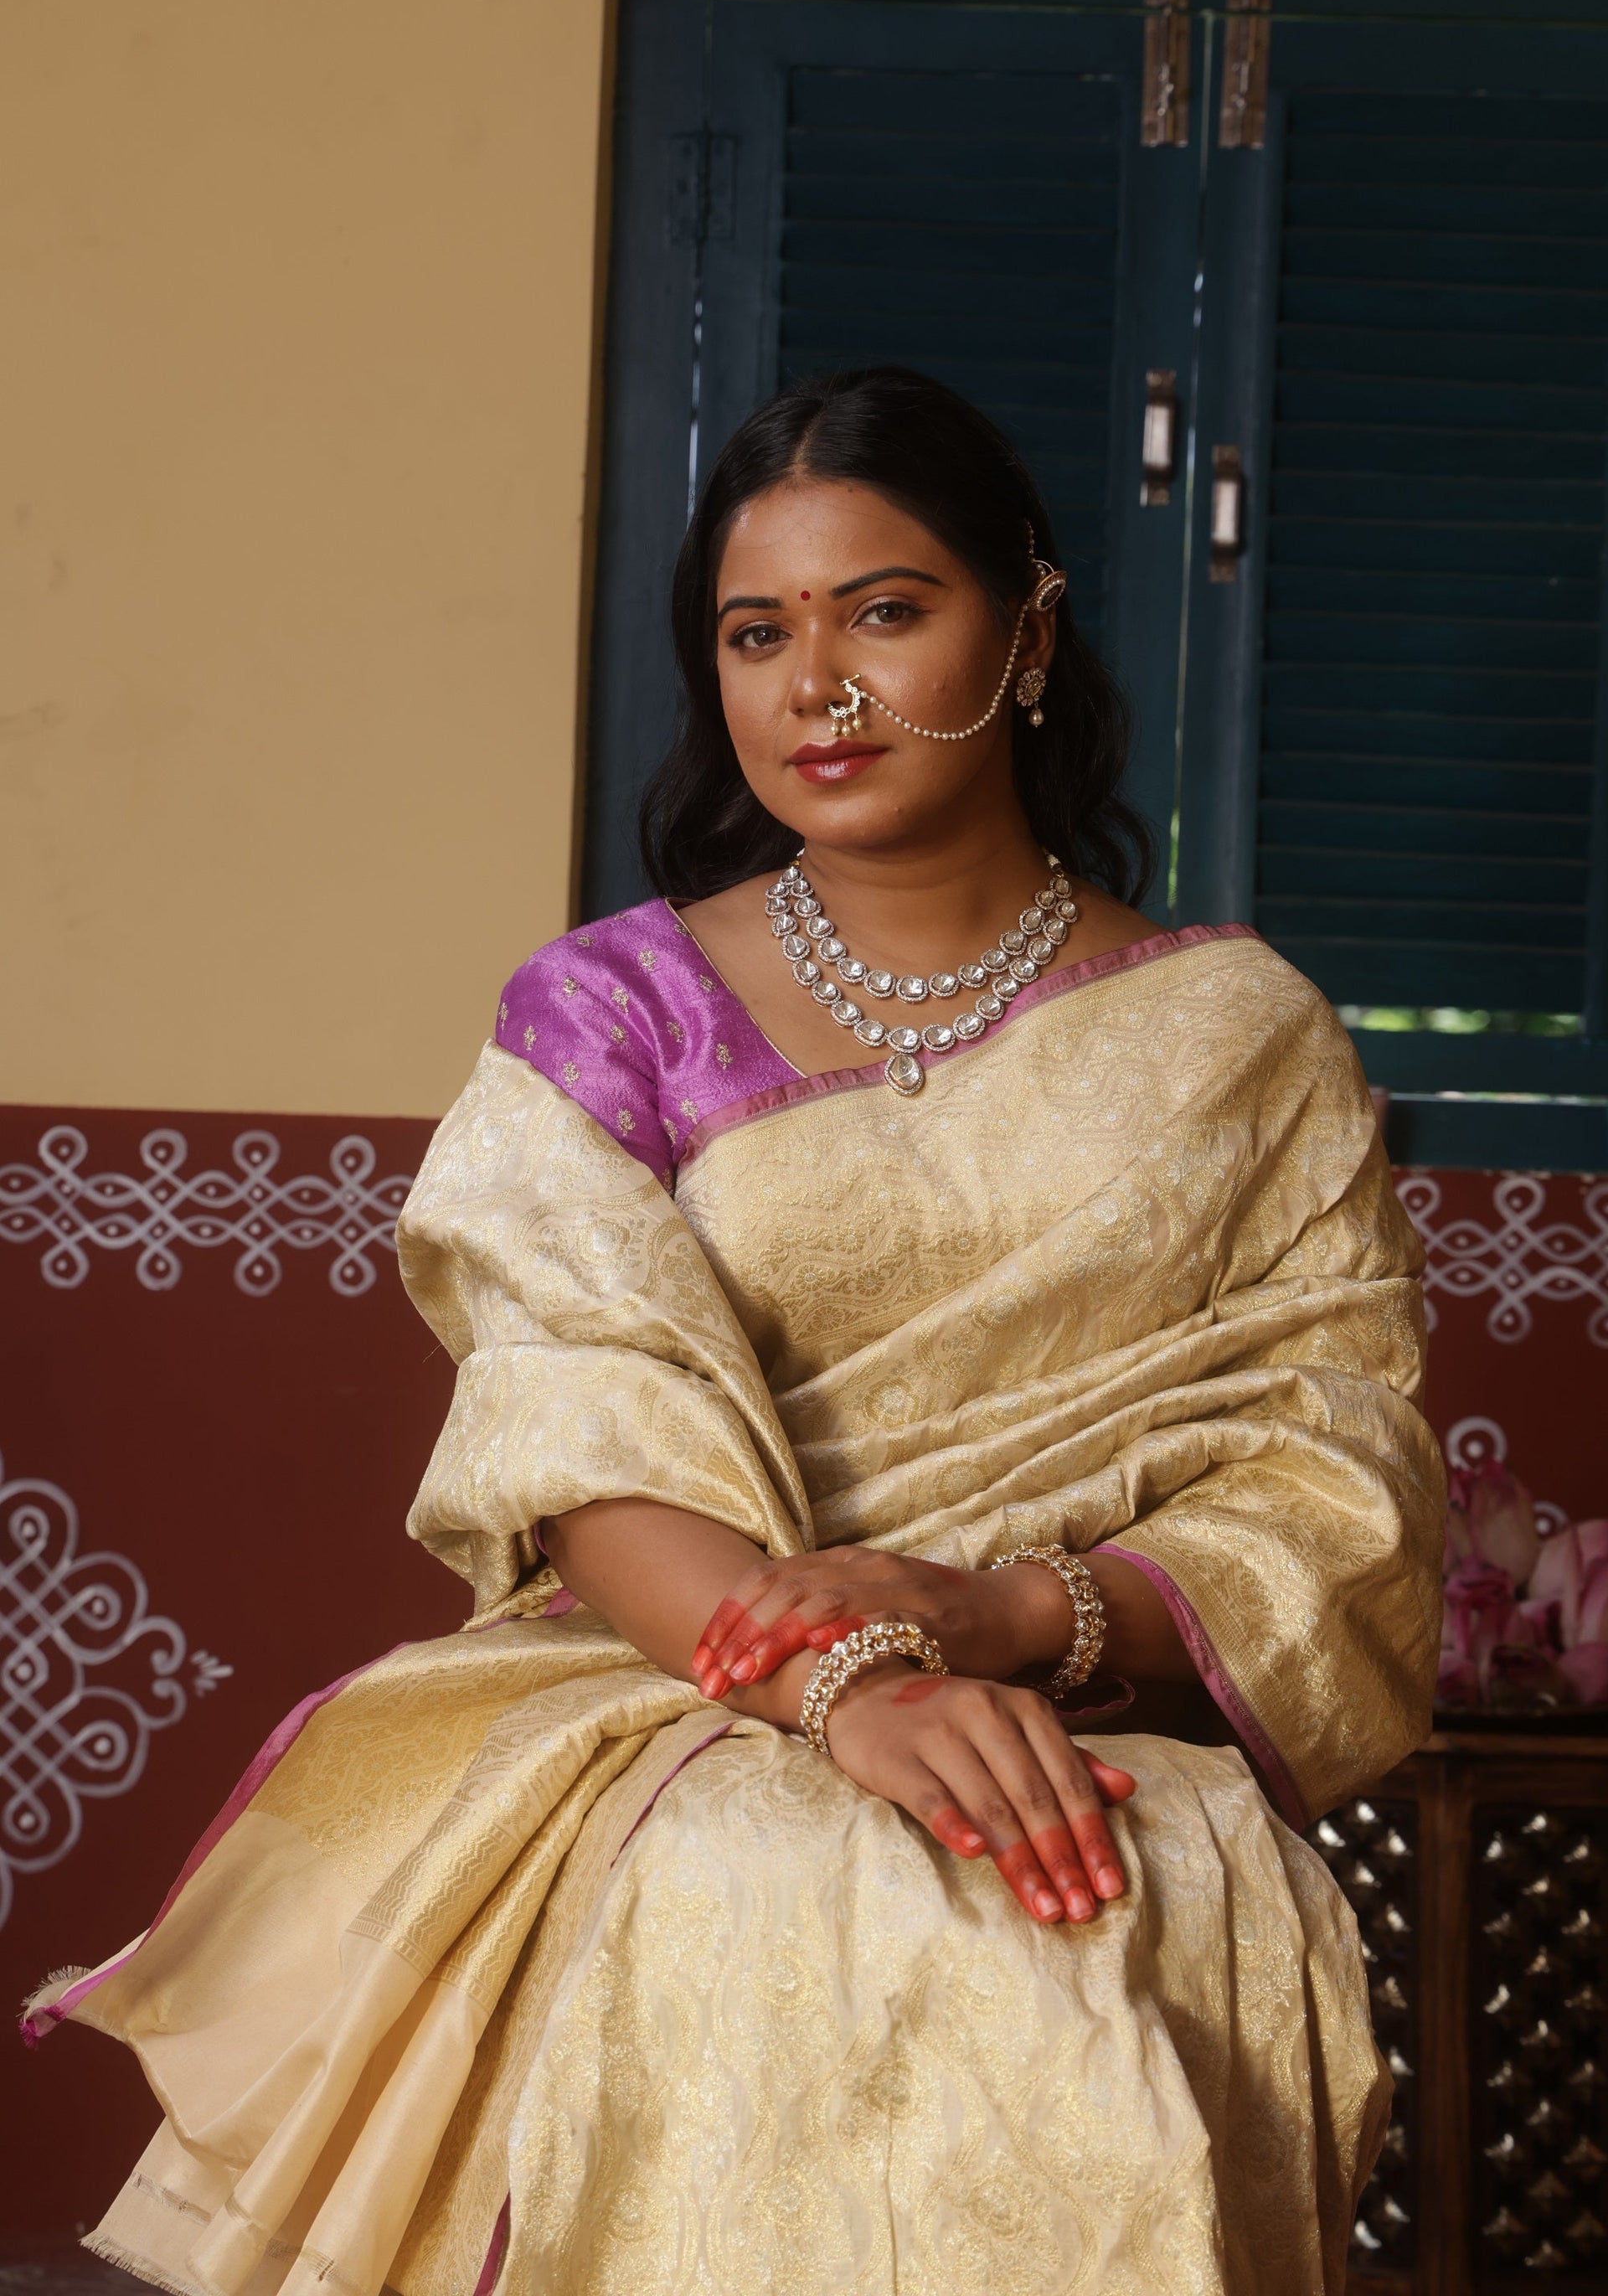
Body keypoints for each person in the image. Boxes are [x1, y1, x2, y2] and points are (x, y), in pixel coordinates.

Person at [26, 369, 1444, 2296]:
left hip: (1099, 1700)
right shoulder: (605, 1015)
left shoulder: (1240, 1038)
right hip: (687, 1682)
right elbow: (577, 1441)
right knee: (751, 1885)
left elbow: (1335, 1463)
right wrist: (853, 1684)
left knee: (1097, 1890)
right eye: (757, 635)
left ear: (1025, 629)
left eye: (885, 609)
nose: (817, 688)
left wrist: (1001, 1618)